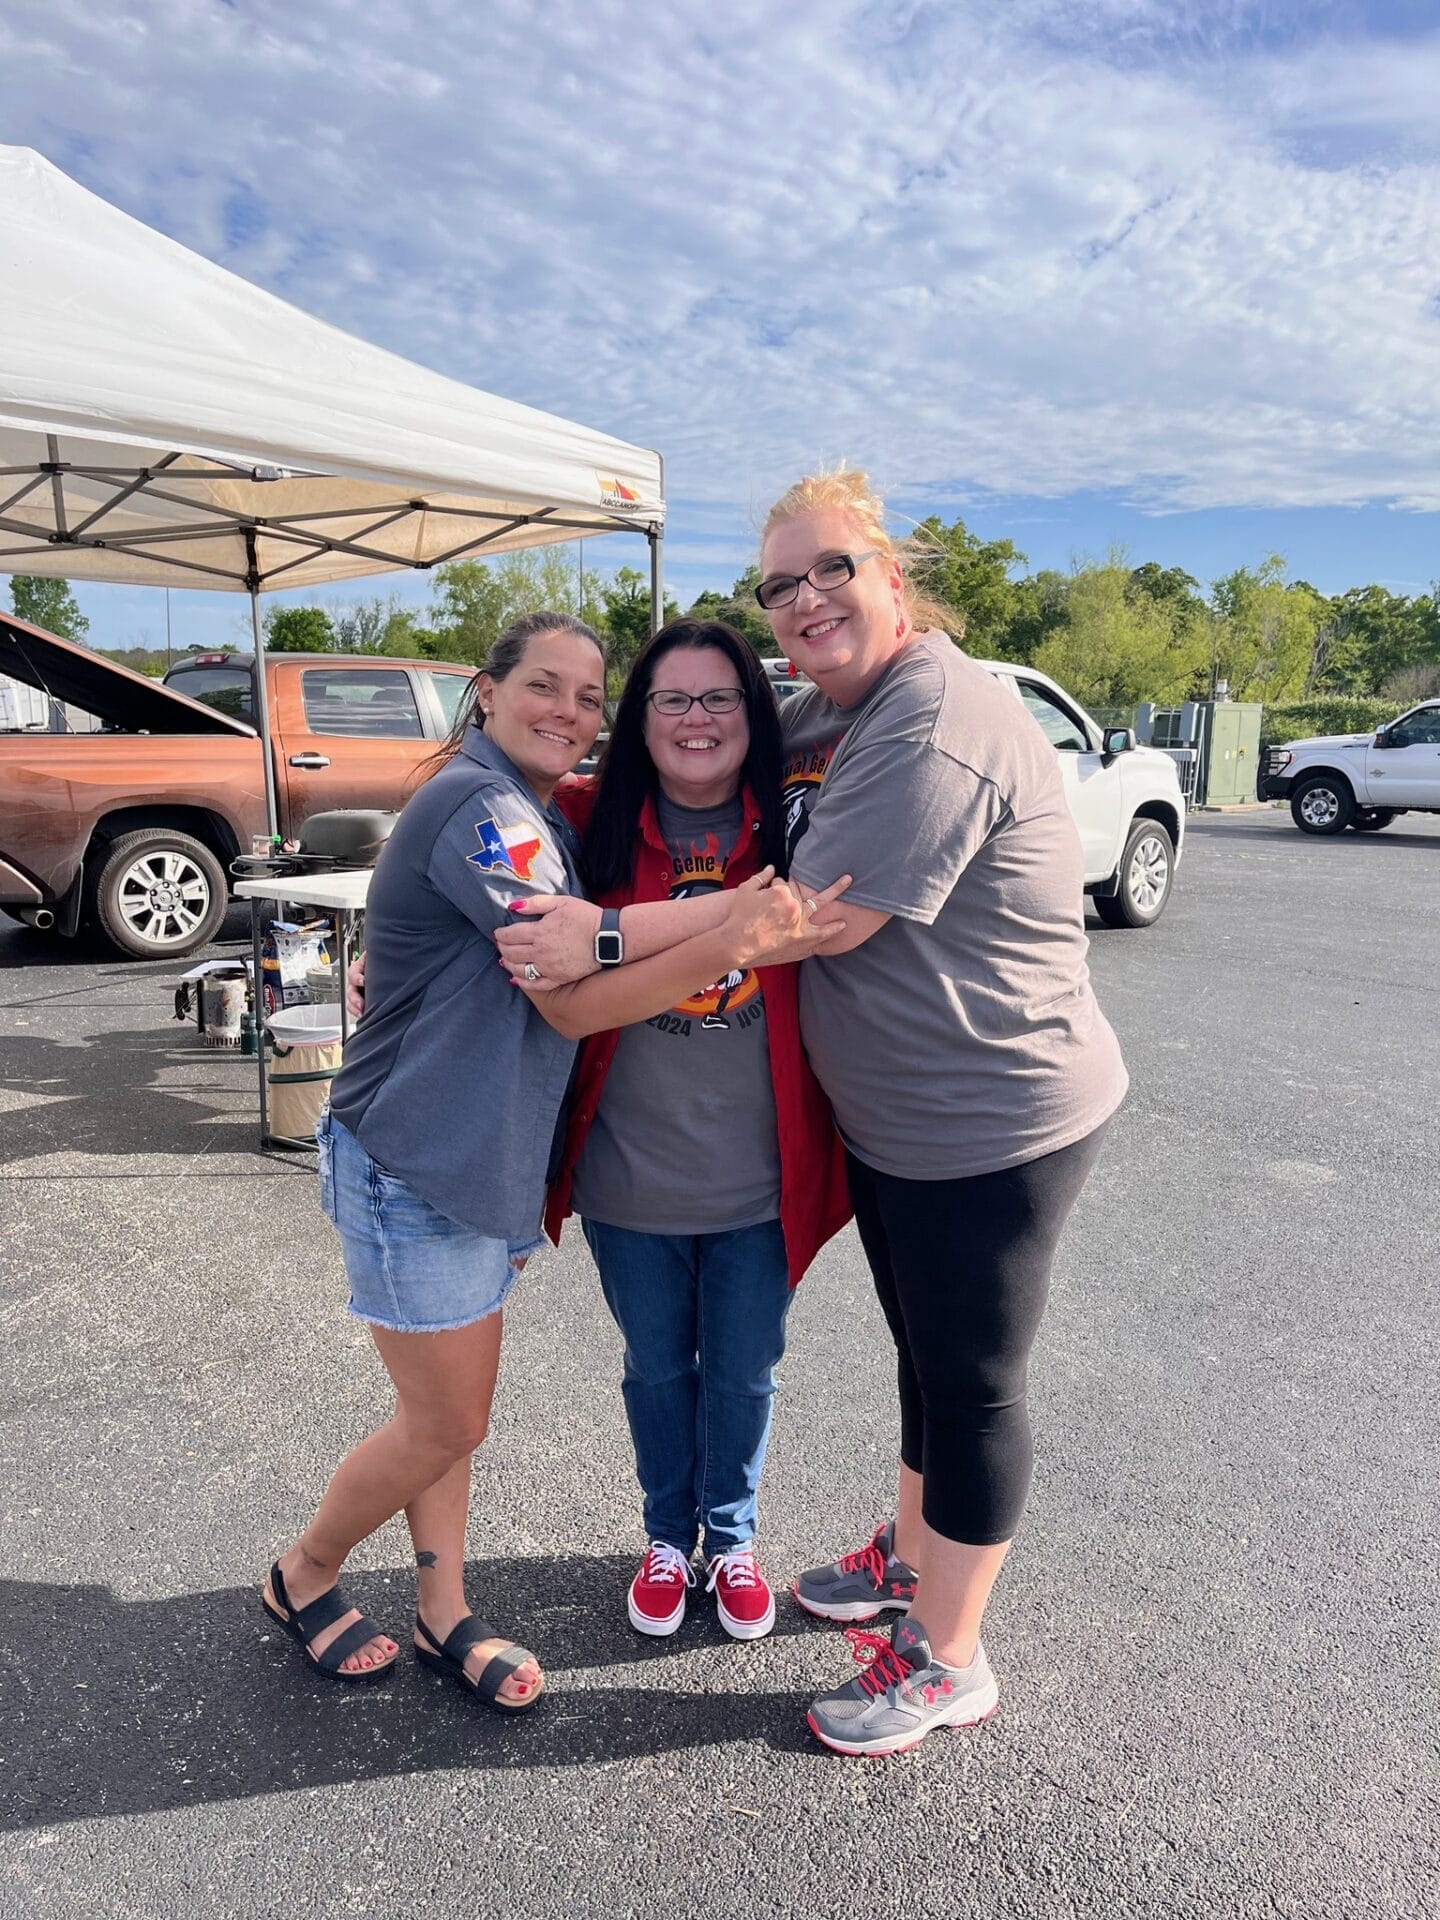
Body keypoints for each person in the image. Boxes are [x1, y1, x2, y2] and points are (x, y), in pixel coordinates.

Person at [506, 470, 1128, 1756]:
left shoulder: (937, 715)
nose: (804, 601)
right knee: (922, 1361)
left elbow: (817, 915)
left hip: (993, 1113)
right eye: (778, 585)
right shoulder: (840, 710)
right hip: (899, 1121)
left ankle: (948, 1657)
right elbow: (709, 731)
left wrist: (608, 924)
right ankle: (912, 1557)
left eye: (830, 569)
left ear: (894, 577)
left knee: (970, 1386)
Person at [262, 610, 832, 1712]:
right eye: (545, 687)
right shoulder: (486, 806)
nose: (567, 712)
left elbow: (558, 936)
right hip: (415, 1163)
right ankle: (306, 1573)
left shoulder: (533, 807)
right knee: (447, 1420)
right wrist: (733, 935)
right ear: (486, 690)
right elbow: (568, 1005)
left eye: (585, 695)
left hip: (477, 1164)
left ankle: (443, 1611)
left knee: (448, 1411)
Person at [537, 619, 851, 1641]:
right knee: (658, 1367)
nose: (697, 720)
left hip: (761, 1177)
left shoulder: (799, 827)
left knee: (748, 1366)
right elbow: (496, 911)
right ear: (640, 719)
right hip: (630, 1175)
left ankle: (732, 1536)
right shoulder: (586, 819)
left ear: (752, 715)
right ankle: (669, 1536)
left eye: (720, 698)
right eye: (671, 699)